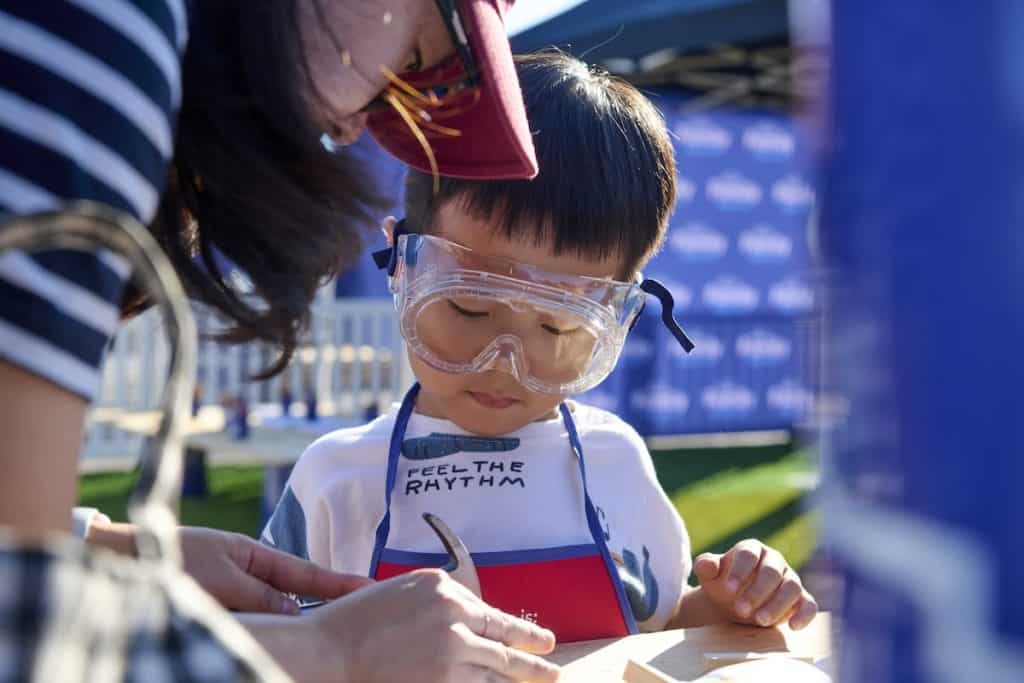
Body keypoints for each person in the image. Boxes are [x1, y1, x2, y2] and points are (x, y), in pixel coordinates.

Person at [0, 1, 561, 681]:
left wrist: (108, 547)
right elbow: (22, 636)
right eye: (413, 57)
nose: (360, 122)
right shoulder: (96, 30)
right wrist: (333, 654)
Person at [262, 52, 819, 643]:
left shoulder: (614, 461)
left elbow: (663, 622)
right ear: (402, 264)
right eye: (468, 307)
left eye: (558, 328)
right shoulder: (335, 480)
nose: (506, 364)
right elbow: (266, 648)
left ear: (616, 316)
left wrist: (731, 603)